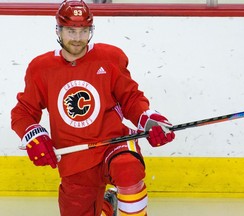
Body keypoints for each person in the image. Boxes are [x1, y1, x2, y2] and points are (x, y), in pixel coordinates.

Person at [11, 0, 175, 216]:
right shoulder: (41, 69)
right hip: (74, 158)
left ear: (91, 30)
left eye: (84, 31)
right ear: (58, 30)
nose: (77, 38)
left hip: (114, 145)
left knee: (128, 168)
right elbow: (22, 112)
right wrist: (33, 134)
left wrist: (148, 119)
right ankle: (109, 206)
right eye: (71, 30)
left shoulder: (110, 58)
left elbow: (131, 98)